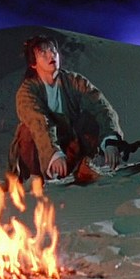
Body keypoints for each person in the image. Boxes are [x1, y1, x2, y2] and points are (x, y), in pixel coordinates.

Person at [8, 35, 124, 183]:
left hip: (70, 149)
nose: (51, 55)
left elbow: (101, 106)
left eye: (53, 50)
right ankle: (35, 179)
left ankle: (86, 165)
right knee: (26, 131)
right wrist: (53, 153)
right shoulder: (27, 91)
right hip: (41, 155)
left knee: (88, 119)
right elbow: (39, 121)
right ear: (33, 63)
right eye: (43, 53)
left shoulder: (74, 81)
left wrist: (110, 139)